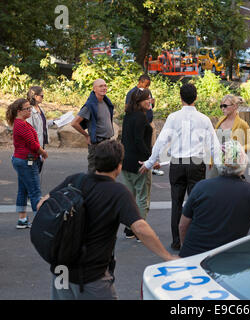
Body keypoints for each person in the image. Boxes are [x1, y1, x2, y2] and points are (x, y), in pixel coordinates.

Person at [37, 140, 178, 300]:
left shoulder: (76, 180)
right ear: (119, 166)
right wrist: (167, 256)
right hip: (91, 277)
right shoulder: (118, 193)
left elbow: (42, 203)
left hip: (60, 270)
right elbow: (140, 228)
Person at [178, 140, 250, 258]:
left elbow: (183, 225)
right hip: (226, 263)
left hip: (193, 257)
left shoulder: (201, 187)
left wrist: (184, 248)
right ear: (243, 162)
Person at [139, 83, 222, 251]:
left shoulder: (173, 117)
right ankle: (193, 238)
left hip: (177, 163)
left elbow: (161, 141)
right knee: (196, 202)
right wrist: (222, 168)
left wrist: (149, 163)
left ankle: (177, 241)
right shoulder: (204, 119)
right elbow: (214, 146)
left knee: (176, 202)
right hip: (196, 163)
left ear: (180, 98)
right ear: (196, 98)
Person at [121, 88, 160, 239]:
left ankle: (130, 228)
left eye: (150, 98)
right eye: (146, 99)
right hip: (139, 163)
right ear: (139, 102)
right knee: (143, 197)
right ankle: (139, 230)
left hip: (126, 162)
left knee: (130, 197)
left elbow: (125, 139)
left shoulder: (128, 116)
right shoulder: (141, 118)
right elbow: (139, 141)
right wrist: (151, 159)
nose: (149, 101)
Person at [6, 98, 48, 229]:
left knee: (23, 190)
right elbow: (33, 144)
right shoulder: (21, 124)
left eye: (30, 108)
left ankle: (22, 219)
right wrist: (43, 153)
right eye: (27, 109)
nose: (30, 110)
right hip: (25, 160)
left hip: (23, 160)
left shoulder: (21, 122)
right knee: (35, 191)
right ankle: (41, 222)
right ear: (19, 111)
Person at [71, 79, 114, 173]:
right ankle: (89, 187)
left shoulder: (106, 102)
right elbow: (74, 123)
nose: (104, 88)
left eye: (105, 85)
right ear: (94, 89)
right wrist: (86, 135)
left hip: (107, 142)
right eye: (101, 86)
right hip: (97, 143)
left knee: (105, 171)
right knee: (93, 171)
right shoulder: (90, 105)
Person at [207, 94, 250, 178]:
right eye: (221, 106)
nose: (222, 109)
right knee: (213, 189)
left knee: (228, 189)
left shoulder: (242, 124)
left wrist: (235, 149)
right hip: (216, 164)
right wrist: (211, 160)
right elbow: (214, 141)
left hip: (231, 166)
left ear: (235, 106)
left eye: (225, 106)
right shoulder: (220, 120)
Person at [125, 75, 163, 176]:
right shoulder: (132, 93)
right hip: (135, 164)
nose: (147, 87)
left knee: (152, 144)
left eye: (149, 85)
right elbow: (138, 141)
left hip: (149, 121)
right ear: (140, 82)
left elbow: (150, 106)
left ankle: (151, 165)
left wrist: (152, 104)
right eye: (146, 85)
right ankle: (149, 164)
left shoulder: (147, 92)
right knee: (143, 143)